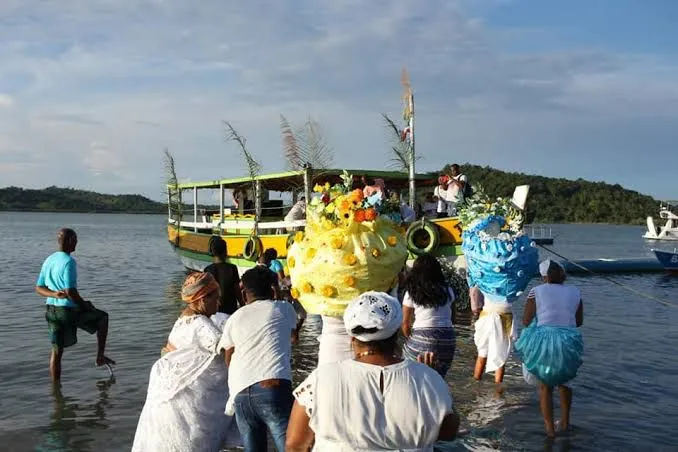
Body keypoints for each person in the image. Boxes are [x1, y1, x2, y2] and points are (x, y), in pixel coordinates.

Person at [286, 291, 460, 451]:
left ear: (352, 337)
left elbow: (296, 445)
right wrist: (432, 379)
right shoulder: (427, 377)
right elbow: (447, 433)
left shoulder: (321, 379)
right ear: (396, 334)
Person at [132, 272, 240, 451]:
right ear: (203, 299)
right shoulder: (201, 326)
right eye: (215, 298)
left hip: (172, 396)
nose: (218, 303)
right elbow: (228, 349)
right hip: (192, 401)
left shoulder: (183, 319)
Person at [218, 266, 302, 452]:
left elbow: (228, 356)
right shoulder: (283, 308)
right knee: (290, 447)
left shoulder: (235, 317)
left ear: (244, 291)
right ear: (273, 289)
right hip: (271, 386)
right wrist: (280, 294)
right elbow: (294, 333)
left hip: (240, 391)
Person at [515, 259, 584, 438]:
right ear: (562, 275)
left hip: (545, 341)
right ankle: (565, 422)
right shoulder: (575, 291)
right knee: (565, 383)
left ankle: (549, 430)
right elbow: (579, 322)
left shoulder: (535, 291)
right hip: (568, 340)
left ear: (544, 276)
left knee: (545, 386)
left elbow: (526, 320)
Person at [35, 228, 115, 383]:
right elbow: (70, 291)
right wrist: (86, 306)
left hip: (51, 311)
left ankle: (56, 392)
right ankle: (100, 356)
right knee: (103, 317)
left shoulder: (49, 259)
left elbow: (38, 288)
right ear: (70, 240)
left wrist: (53, 294)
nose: (77, 242)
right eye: (76, 239)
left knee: (56, 352)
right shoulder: (68, 261)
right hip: (66, 311)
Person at [401, 255, 456, 378]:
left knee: (410, 373)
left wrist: (412, 339)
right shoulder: (448, 290)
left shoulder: (412, 292)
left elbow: (405, 324)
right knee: (439, 379)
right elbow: (453, 319)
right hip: (447, 339)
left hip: (421, 337)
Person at [204, 236, 242, 315]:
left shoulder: (207, 269)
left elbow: (206, 293)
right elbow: (237, 290)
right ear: (225, 251)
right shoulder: (232, 268)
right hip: (230, 309)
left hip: (214, 310)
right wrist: (242, 305)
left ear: (212, 252)